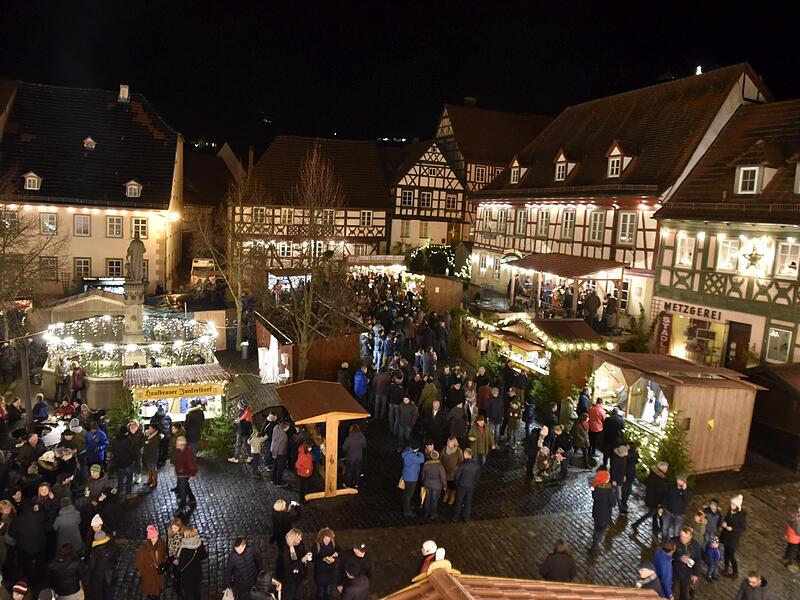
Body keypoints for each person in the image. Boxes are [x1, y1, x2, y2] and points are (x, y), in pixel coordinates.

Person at [632, 461, 668, 534]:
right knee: (650, 514)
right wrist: (660, 503)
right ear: (663, 470)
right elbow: (660, 493)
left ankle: (655, 527)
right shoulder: (660, 480)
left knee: (654, 514)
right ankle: (635, 524)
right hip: (655, 502)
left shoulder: (652, 474)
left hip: (649, 498)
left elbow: (645, 482)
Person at [135, 524, 167, 600]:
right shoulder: (143, 549)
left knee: (158, 592)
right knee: (153, 594)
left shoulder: (161, 543)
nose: (155, 539)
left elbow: (164, 554)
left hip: (159, 575)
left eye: (156, 537)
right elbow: (139, 563)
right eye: (152, 537)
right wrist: (146, 573)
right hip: (149, 577)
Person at [720, 494, 747, 578]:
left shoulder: (741, 516)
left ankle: (735, 572)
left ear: (737, 506)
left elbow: (743, 528)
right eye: (731, 504)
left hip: (733, 538)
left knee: (731, 555)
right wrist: (724, 523)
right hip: (726, 536)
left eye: (734, 505)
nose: (731, 506)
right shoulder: (730, 511)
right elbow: (726, 519)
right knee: (725, 553)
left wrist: (732, 529)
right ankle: (726, 568)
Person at [672, 525, 702, 600]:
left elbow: (698, 560)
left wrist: (695, 574)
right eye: (681, 536)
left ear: (690, 537)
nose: (682, 539)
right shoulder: (674, 541)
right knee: (669, 590)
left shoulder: (696, 545)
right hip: (674, 570)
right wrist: (679, 558)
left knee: (684, 594)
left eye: (685, 537)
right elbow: (668, 556)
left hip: (687, 573)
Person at [589, 469, 615, 556]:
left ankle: (594, 545)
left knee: (596, 529)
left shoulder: (596, 488)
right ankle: (595, 548)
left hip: (596, 513)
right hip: (605, 514)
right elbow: (613, 504)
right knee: (600, 531)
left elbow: (594, 497)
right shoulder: (609, 491)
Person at [280, 529, 310, 600]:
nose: (301, 539)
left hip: (299, 575)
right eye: (299, 538)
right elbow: (289, 566)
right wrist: (302, 561)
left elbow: (302, 553)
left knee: (299, 593)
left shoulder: (300, 544)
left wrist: (306, 557)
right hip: (289, 578)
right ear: (293, 539)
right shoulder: (286, 550)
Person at [177, 527, 206, 600]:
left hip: (187, 575)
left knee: (188, 593)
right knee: (197, 591)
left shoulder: (184, 549)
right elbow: (204, 555)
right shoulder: (199, 543)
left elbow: (181, 563)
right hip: (197, 573)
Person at [452, 448, 480, 523]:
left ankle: (456, 517)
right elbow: (477, 477)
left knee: (459, 501)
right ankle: (466, 517)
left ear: (466, 454)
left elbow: (457, 476)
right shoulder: (476, 465)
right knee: (468, 502)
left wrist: (457, 483)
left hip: (462, 486)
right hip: (471, 486)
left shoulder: (462, 465)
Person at [311, 528, 339, 600]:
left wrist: (337, 554)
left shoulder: (333, 543)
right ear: (321, 538)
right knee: (320, 592)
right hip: (320, 574)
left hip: (330, 573)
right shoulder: (316, 545)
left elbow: (339, 550)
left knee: (328, 591)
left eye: (329, 539)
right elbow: (313, 559)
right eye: (325, 539)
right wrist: (322, 559)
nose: (327, 541)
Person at [662, 474, 692, 541]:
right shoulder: (672, 487)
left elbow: (686, 500)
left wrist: (684, 490)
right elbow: (666, 497)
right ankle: (664, 541)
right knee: (665, 528)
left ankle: (674, 544)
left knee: (676, 531)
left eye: (681, 480)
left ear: (684, 482)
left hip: (679, 515)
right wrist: (662, 506)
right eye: (678, 479)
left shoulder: (688, 490)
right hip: (669, 511)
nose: (679, 481)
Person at [173, 436, 198, 515]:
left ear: (182, 445)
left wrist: (192, 474)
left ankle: (181, 507)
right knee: (186, 486)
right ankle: (192, 499)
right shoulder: (181, 450)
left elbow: (193, 466)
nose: (176, 444)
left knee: (182, 492)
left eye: (177, 443)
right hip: (181, 473)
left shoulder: (187, 453)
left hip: (183, 474)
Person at [110, 426, 135, 499]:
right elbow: (131, 452)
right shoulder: (127, 440)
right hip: (128, 463)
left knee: (120, 479)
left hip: (119, 464)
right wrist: (133, 459)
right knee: (129, 479)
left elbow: (113, 452)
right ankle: (128, 494)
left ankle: (120, 492)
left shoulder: (115, 441)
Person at [420, 450, 447, 520]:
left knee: (427, 499)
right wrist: (445, 486)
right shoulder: (440, 467)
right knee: (434, 500)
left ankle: (426, 514)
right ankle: (433, 514)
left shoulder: (426, 465)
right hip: (437, 486)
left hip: (427, 485)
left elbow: (423, 476)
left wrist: (424, 482)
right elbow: (443, 478)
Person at [400, 443, 425, 517]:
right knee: (409, 494)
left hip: (407, 476)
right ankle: (407, 510)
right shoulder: (411, 456)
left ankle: (407, 505)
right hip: (411, 478)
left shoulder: (407, 452)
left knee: (407, 493)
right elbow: (421, 460)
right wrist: (420, 453)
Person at [341, 424, 366, 489]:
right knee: (357, 470)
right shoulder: (362, 437)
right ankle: (356, 483)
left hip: (350, 457)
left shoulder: (349, 439)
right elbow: (364, 445)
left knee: (349, 471)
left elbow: (344, 448)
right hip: (359, 457)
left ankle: (348, 484)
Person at [440, 437, 463, 506]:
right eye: (450, 441)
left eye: (453, 441)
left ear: (455, 442)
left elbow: (461, 462)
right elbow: (441, 459)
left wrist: (456, 469)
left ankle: (452, 496)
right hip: (445, 471)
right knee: (446, 484)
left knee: (453, 485)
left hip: (454, 473)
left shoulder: (459, 451)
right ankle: (446, 494)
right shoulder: (444, 449)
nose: (451, 443)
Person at [166, 518, 186, 599]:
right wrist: (173, 559)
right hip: (174, 561)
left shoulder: (183, 535)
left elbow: (185, 550)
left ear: (180, 527)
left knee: (184, 578)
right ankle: (179, 594)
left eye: (175, 528)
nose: (173, 530)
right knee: (176, 579)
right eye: (172, 528)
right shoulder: (169, 535)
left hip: (182, 560)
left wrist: (180, 559)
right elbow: (167, 549)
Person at [270, 422, 290, 487]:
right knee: (280, 468)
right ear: (285, 428)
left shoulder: (276, 427)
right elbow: (277, 445)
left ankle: (273, 479)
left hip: (273, 450)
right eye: (287, 428)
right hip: (280, 453)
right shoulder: (283, 436)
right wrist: (275, 455)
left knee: (275, 465)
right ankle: (279, 482)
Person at [142, 423, 162, 489]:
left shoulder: (157, 437)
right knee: (149, 467)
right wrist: (146, 437)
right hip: (148, 454)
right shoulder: (149, 435)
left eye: (150, 429)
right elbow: (144, 442)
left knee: (153, 468)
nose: (149, 430)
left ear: (154, 429)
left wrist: (147, 442)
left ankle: (155, 481)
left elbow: (151, 446)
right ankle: (149, 479)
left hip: (153, 455)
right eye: (149, 428)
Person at [783, 506, 800, 572]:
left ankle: (786, 558)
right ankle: (790, 563)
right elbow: (798, 532)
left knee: (790, 548)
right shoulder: (797, 522)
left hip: (792, 537)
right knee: (792, 551)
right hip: (794, 539)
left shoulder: (793, 516)